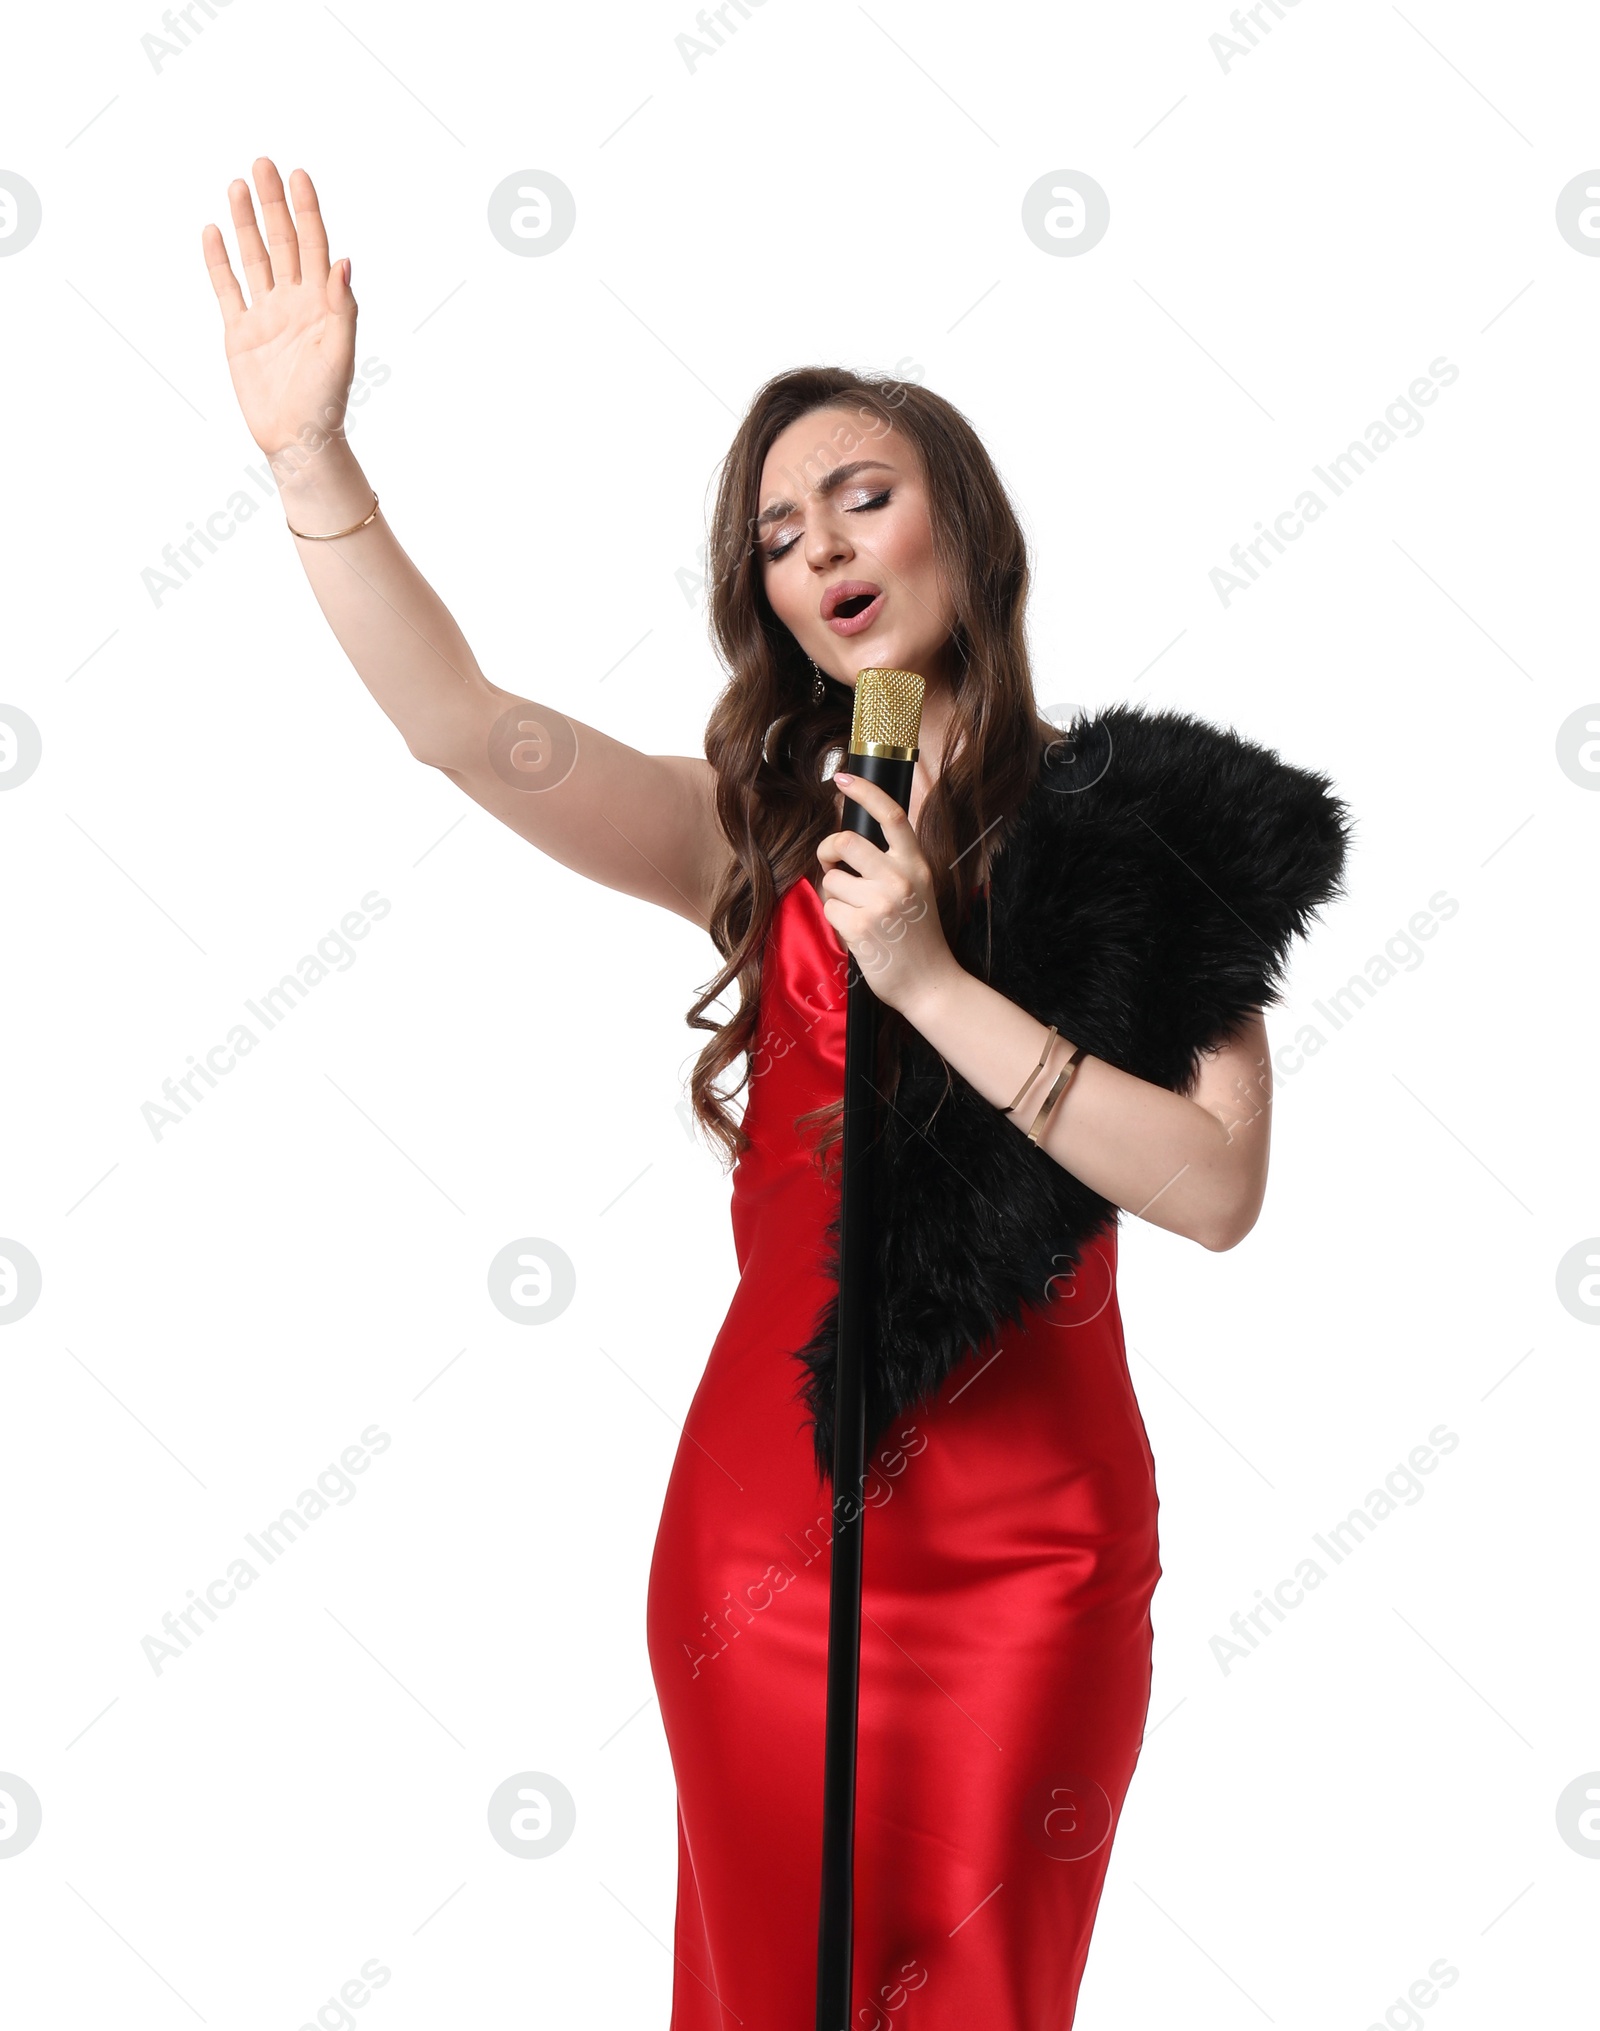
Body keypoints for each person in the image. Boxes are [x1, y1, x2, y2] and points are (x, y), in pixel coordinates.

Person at [204, 158, 1304, 2028]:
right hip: (767, 1546)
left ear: (970, 533)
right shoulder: (760, 833)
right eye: (782, 531)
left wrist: (931, 984)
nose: (821, 546)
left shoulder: (1155, 839)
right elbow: (466, 729)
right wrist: (315, 463)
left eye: (861, 497)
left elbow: (1211, 1189)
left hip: (1034, 1544)